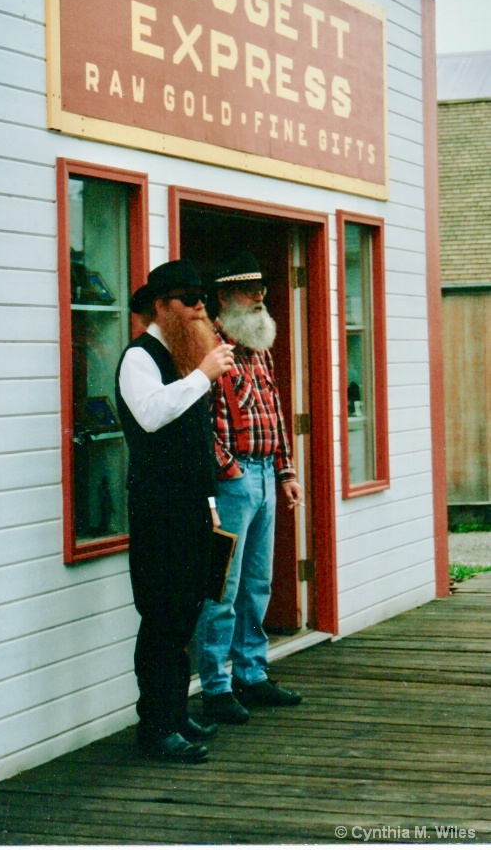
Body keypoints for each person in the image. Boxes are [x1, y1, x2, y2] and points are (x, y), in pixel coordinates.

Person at [115, 258, 235, 763]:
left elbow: (194, 444)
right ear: (162, 306)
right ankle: (156, 727)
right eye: (189, 299)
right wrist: (203, 375)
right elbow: (151, 415)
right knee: (161, 616)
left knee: (186, 612)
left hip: (189, 507)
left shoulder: (185, 362)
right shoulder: (139, 358)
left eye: (202, 298)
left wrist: (209, 504)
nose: (200, 307)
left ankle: (176, 712)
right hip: (158, 509)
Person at [196, 252, 304, 724]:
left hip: (264, 476)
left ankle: (252, 675)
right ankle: (216, 687)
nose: (259, 296)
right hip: (233, 482)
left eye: (261, 288)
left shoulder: (260, 348)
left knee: (257, 584)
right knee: (222, 585)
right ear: (224, 297)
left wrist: (286, 472)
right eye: (247, 289)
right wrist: (229, 470)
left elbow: (275, 417)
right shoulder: (208, 348)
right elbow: (199, 424)